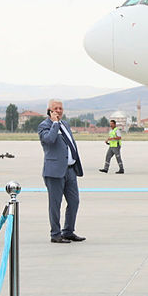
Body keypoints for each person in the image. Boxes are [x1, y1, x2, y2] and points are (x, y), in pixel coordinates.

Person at [38, 99, 85, 243]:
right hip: (54, 171)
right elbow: (49, 140)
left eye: (60, 108)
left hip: (70, 170)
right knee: (55, 204)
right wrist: (55, 123)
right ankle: (55, 234)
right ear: (49, 111)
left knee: (74, 201)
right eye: (55, 108)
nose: (59, 111)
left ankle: (68, 231)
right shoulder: (44, 126)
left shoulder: (65, 124)